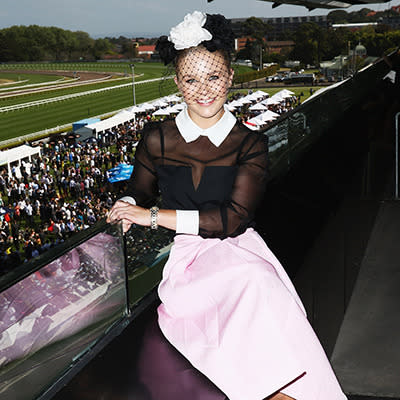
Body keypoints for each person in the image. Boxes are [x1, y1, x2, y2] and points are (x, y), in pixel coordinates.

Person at [107, 11, 347, 400]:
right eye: (191, 79)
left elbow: (232, 219)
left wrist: (150, 217)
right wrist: (128, 203)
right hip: (190, 263)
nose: (203, 89)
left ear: (231, 77)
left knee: (258, 283)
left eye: (214, 77)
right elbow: (140, 189)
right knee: (258, 290)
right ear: (177, 83)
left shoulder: (250, 143)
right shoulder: (156, 138)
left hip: (237, 249)